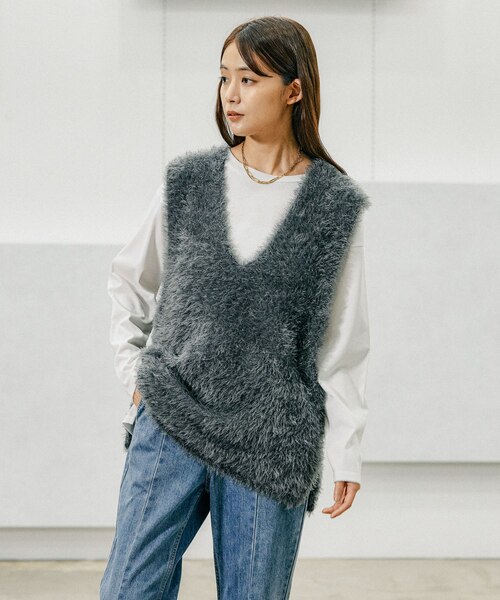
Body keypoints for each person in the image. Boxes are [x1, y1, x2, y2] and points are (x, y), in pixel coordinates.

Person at [100, 15, 371, 600]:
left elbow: (342, 343)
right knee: (127, 590)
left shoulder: (332, 206)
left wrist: (346, 450)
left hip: (271, 440)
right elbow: (130, 281)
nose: (231, 93)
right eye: (224, 77)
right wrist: (135, 375)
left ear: (293, 90)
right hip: (172, 419)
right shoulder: (190, 181)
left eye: (249, 79)